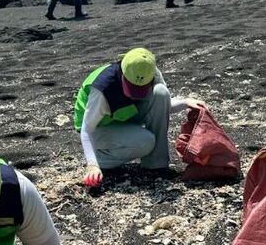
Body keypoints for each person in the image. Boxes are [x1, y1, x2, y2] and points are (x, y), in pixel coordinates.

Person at [74, 47, 205, 187]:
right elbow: (87, 128)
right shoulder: (103, 88)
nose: (134, 94)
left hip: (125, 116)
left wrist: (186, 103)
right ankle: (100, 160)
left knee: (161, 92)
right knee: (145, 141)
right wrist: (92, 165)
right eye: (131, 87)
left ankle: (156, 165)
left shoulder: (151, 73)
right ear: (123, 74)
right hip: (98, 128)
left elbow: (162, 106)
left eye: (141, 88)